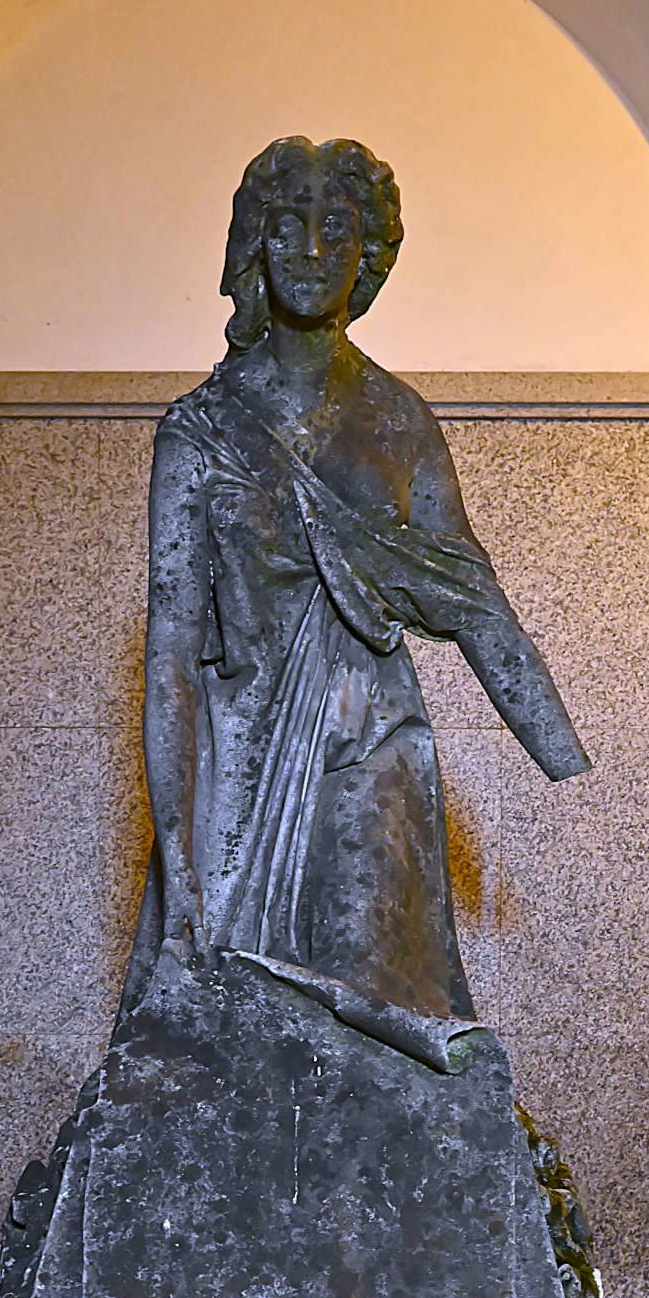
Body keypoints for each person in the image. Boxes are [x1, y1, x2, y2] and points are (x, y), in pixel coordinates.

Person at [121, 134, 589, 1060]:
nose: (307, 248)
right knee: (221, 1042)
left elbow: (470, 590)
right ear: (254, 242)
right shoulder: (200, 433)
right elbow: (172, 652)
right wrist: (179, 866)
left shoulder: (398, 420)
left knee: (378, 1020)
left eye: (334, 228)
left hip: (372, 750)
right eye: (286, 224)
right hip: (242, 759)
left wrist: (561, 750)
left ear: (367, 254)